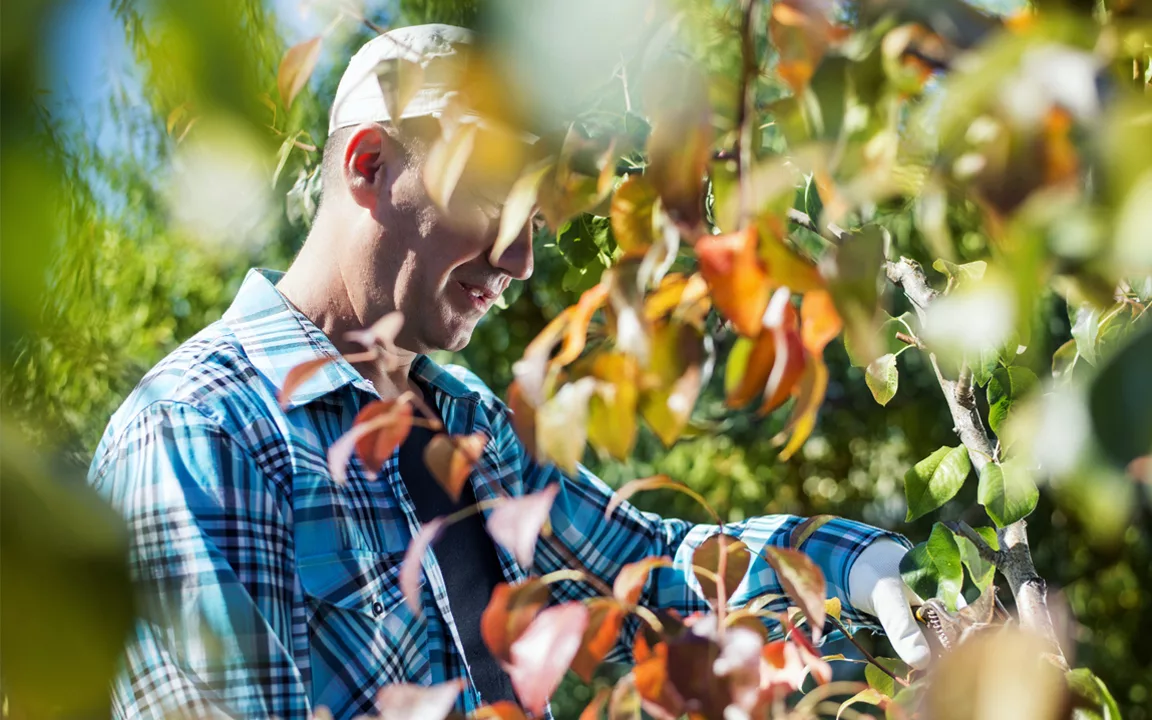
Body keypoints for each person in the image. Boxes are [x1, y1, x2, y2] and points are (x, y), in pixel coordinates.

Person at [89, 23, 930, 720]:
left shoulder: (467, 421)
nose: (522, 260)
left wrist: (858, 569)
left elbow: (649, 568)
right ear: (370, 165)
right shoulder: (201, 431)